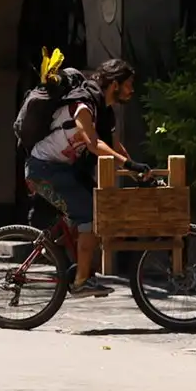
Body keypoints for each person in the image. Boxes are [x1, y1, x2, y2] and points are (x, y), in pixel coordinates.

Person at [24, 58, 150, 297]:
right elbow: (93, 144)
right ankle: (81, 280)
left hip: (62, 170)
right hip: (43, 169)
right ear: (115, 84)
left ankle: (62, 250)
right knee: (89, 215)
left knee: (98, 207)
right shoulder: (83, 105)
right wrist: (129, 165)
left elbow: (114, 146)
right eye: (129, 84)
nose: (132, 90)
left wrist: (136, 172)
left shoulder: (104, 112)